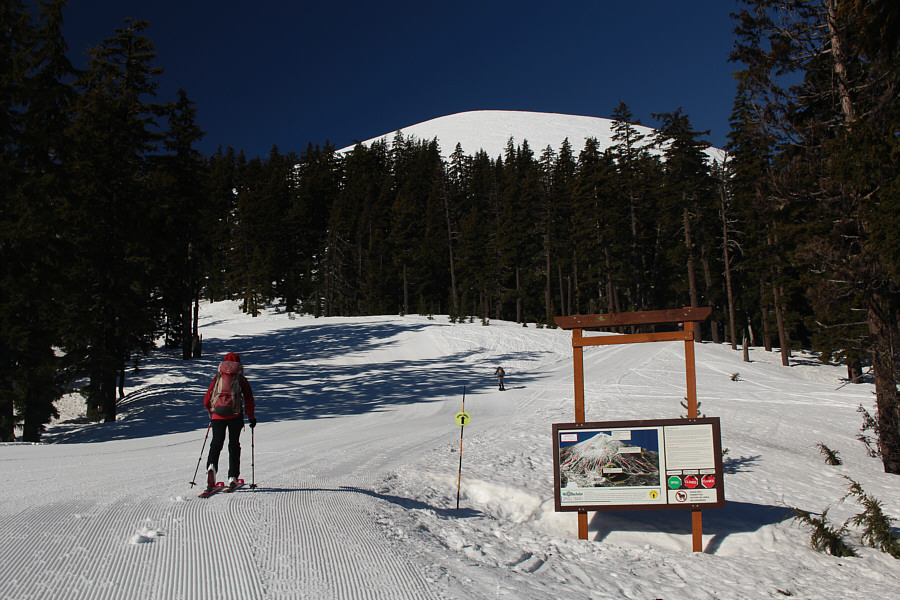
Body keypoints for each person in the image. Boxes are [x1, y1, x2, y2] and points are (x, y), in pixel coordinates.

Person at [203, 352, 256, 490]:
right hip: (235, 416)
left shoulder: (218, 377)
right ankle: (233, 477)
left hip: (217, 416)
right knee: (234, 445)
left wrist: (212, 411)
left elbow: (207, 398)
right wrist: (251, 417)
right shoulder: (241, 379)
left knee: (216, 442)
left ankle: (211, 467)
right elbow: (249, 399)